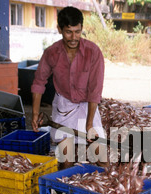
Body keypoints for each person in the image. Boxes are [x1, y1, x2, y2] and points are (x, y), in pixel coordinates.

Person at [31, 6, 107, 170]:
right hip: (64, 107)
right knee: (66, 162)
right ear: (59, 29)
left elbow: (95, 92)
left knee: (102, 160)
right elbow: (39, 82)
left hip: (87, 107)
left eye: (77, 32)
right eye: (68, 32)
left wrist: (89, 125)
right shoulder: (51, 53)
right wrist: (35, 113)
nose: (74, 37)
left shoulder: (93, 52)